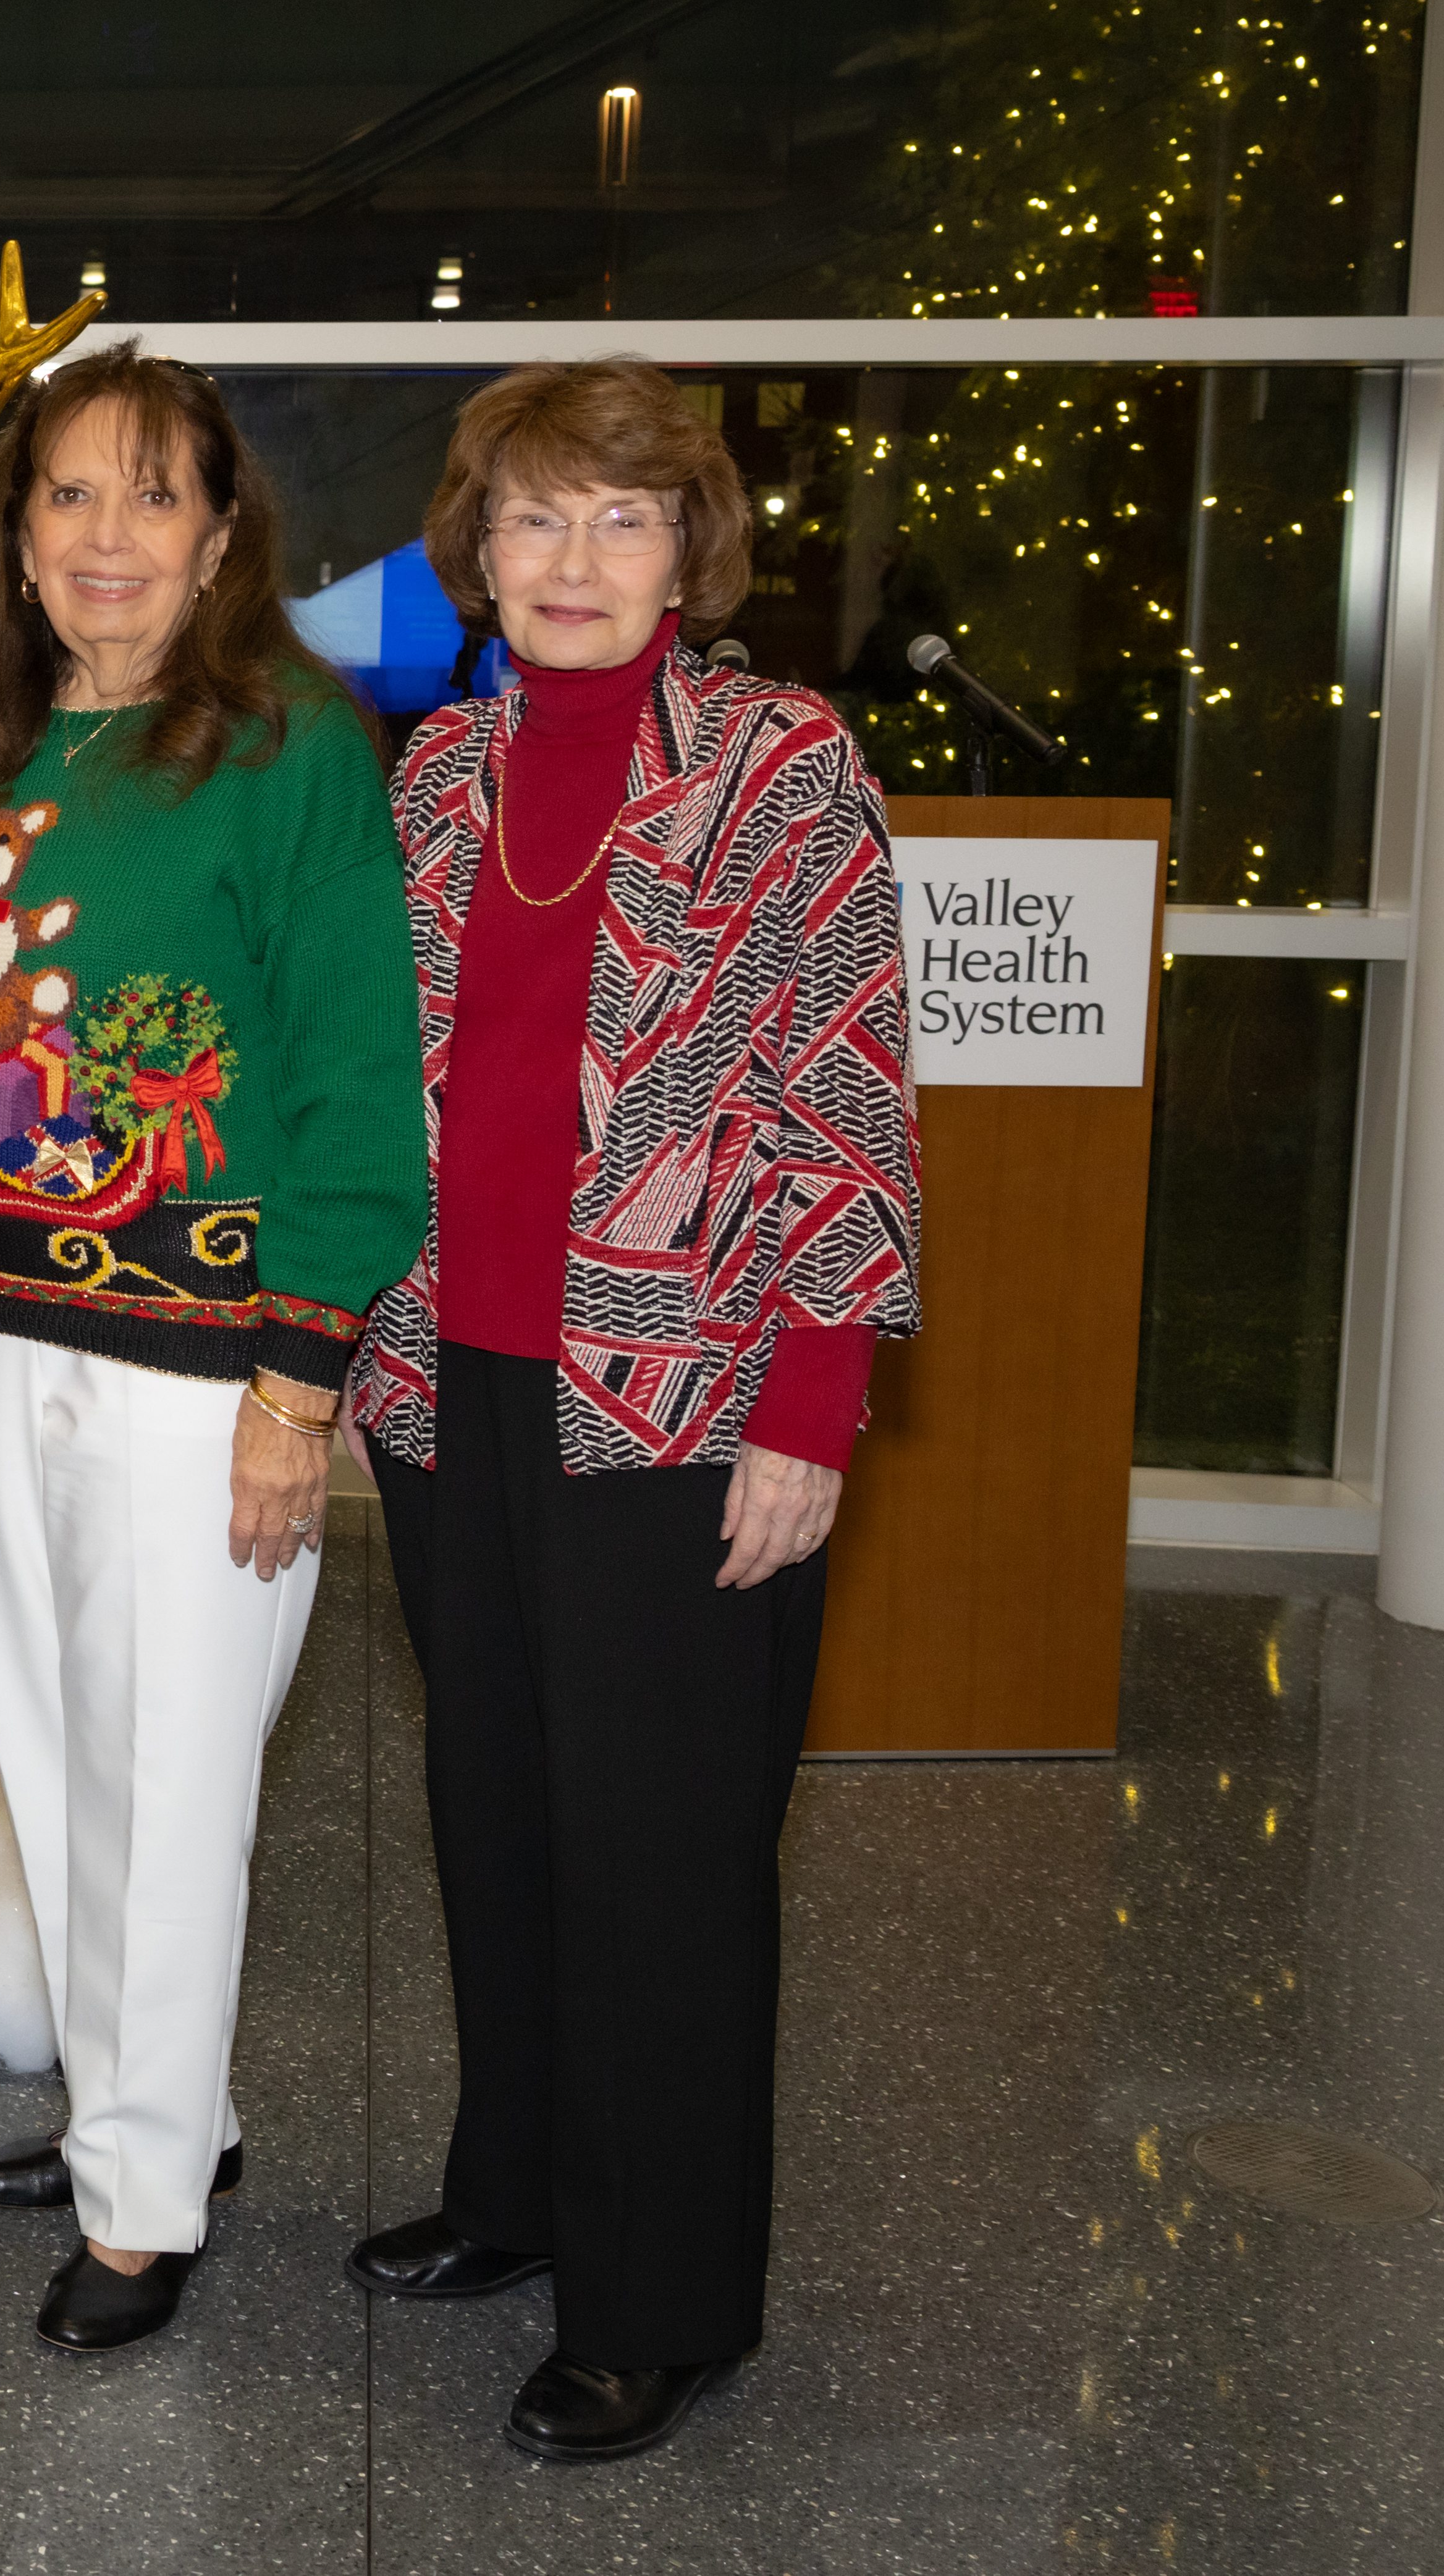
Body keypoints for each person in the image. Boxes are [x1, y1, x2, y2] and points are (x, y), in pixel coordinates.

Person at [342, 359, 919, 2461]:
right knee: (495, 1811)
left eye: (621, 520)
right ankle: (518, 2196)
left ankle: (661, 2295)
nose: (572, 562)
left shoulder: (781, 765)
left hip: (685, 1396)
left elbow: (848, 1091)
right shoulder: (430, 776)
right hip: (448, 1382)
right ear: (476, 555)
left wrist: (816, 1399)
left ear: (691, 549)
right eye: (533, 522)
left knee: (662, 1854)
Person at [0, 343, 423, 2355]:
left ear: (220, 535)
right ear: (16, 538)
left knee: (177, 1777)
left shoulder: (287, 746)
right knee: (59, 1765)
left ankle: (139, 2210)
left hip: (204, 1363)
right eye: (69, 499)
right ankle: (151, 2117)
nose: (107, 538)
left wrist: (302, 1382)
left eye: (152, 498)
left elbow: (367, 1084)